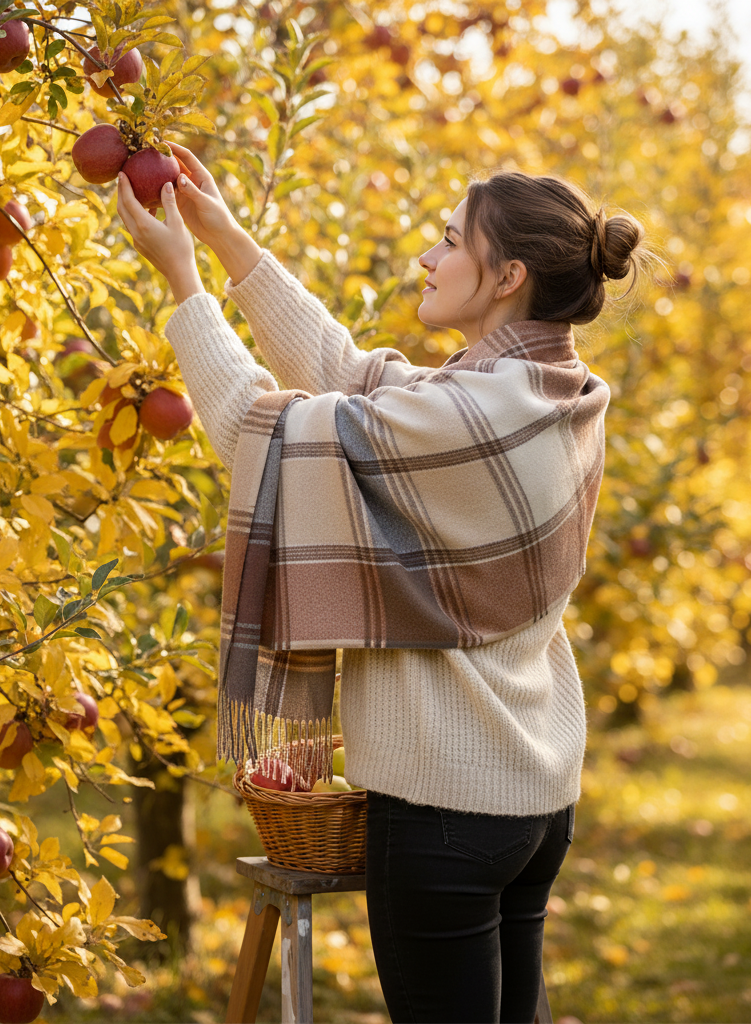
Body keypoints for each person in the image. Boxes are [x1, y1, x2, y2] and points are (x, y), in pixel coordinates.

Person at [117, 147, 649, 1024]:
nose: (428, 258)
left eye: (451, 241)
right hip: (535, 798)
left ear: (507, 276)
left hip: (445, 803)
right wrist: (228, 240)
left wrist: (184, 286)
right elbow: (354, 373)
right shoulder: (550, 394)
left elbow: (258, 432)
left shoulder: (464, 413)